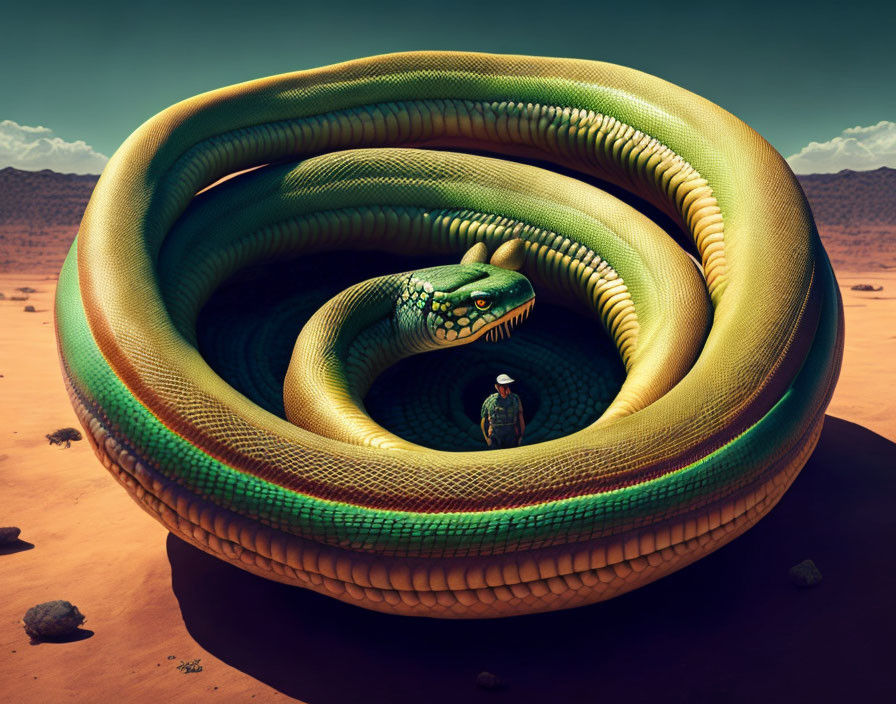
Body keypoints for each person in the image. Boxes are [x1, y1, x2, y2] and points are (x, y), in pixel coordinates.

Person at [481, 374, 525, 449]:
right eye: (504, 387)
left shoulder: (515, 399)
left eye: (508, 386)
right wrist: (487, 439)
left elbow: (520, 417)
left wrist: (521, 436)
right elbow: (483, 421)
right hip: (495, 435)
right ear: (497, 387)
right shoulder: (490, 401)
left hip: (511, 434)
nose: (507, 390)